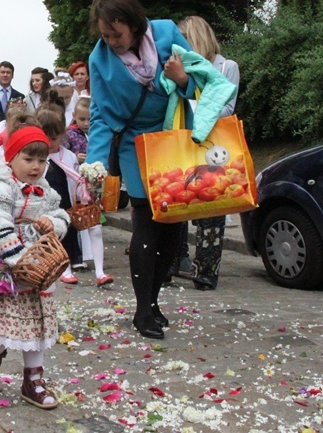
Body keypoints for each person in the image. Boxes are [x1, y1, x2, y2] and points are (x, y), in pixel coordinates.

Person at [86, 0, 195, 340]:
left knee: (175, 225)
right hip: (135, 144)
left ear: (134, 25)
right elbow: (101, 114)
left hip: (173, 136)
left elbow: (205, 79)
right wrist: (96, 163)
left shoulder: (167, 33)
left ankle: (155, 301)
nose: (111, 42)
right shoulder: (99, 60)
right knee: (147, 220)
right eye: (105, 35)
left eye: (116, 34)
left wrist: (184, 80)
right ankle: (142, 309)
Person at [0, 116, 69, 410]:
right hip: (7, 273)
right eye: (28, 159)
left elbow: (63, 216)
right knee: (6, 329)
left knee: (37, 329)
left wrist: (52, 223)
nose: (36, 167)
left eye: (41, 160)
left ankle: (34, 380)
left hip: (38, 274)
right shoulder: (2, 188)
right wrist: (18, 259)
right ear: (11, 157)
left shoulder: (46, 191)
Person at [172, 15, 240, 291]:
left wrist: (194, 101)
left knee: (212, 206)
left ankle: (207, 269)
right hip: (183, 143)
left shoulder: (226, 67)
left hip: (214, 147)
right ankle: (176, 259)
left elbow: (226, 109)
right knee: (178, 200)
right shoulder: (180, 67)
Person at [37, 102, 114, 287]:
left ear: (62, 135)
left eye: (53, 138)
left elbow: (79, 180)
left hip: (72, 204)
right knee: (60, 234)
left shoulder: (69, 156)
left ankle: (100, 272)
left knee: (95, 229)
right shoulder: (38, 158)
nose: (49, 143)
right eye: (45, 138)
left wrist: (89, 190)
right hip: (49, 208)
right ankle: (66, 270)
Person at [65, 97, 90, 164]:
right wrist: (75, 158)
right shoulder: (69, 134)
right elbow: (62, 156)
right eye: (82, 119)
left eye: (90, 119)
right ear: (74, 116)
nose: (86, 124)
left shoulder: (97, 134)